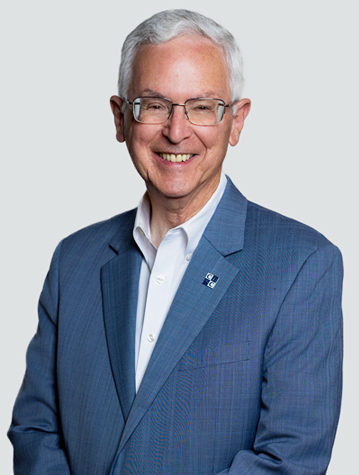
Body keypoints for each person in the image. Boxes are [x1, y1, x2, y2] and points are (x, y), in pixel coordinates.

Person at [8, 9, 343, 475]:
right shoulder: (74, 261)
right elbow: (35, 432)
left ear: (237, 120)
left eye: (202, 107)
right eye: (154, 104)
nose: (177, 131)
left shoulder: (301, 265)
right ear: (121, 117)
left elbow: (289, 460)